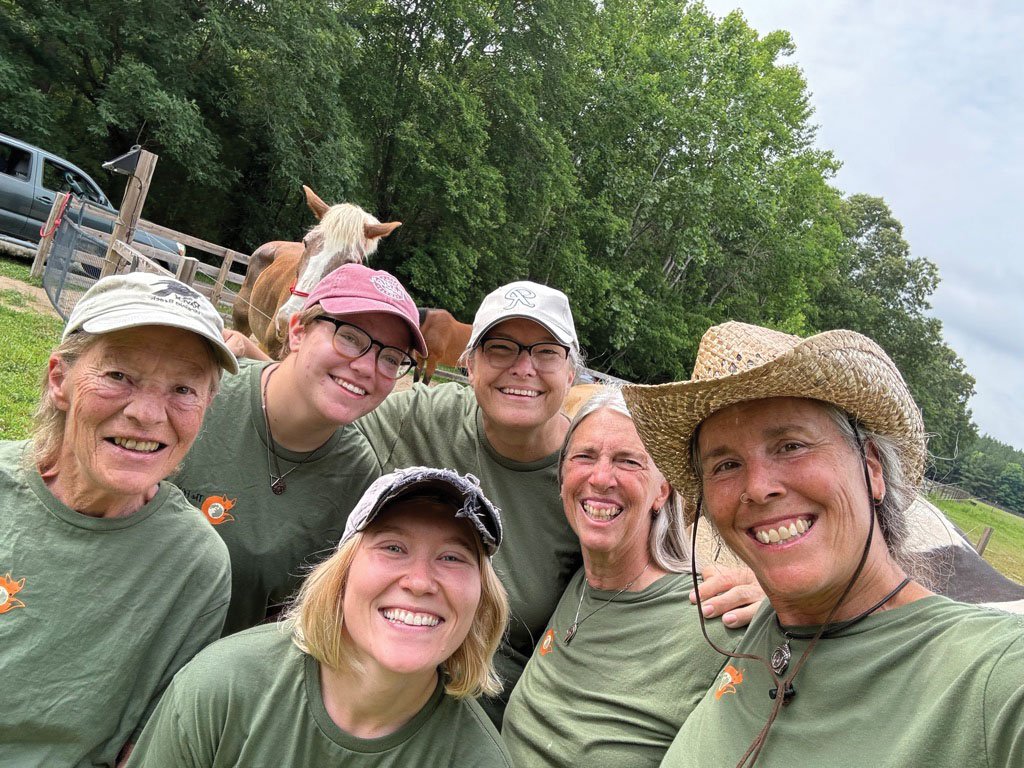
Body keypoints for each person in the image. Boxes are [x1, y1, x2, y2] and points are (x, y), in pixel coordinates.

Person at [623, 321, 1024, 767]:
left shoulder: (992, 674)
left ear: (871, 467)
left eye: (791, 446)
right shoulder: (761, 628)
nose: (758, 488)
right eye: (726, 465)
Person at [355, 281, 757, 725]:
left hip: (482, 714)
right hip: (374, 688)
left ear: (571, 373)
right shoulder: (420, 418)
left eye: (546, 352)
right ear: (469, 364)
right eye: (500, 348)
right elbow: (318, 432)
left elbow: (649, 578)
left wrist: (769, 597)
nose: (523, 368)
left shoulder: (590, 490)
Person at [0, 272, 236, 767]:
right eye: (119, 376)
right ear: (59, 379)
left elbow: (144, 747)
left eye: (183, 389)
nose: (148, 414)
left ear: (207, 406)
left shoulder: (194, 564)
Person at [125, 467, 513, 767]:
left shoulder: (478, 758)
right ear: (341, 575)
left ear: (482, 599)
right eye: (393, 548)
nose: (420, 582)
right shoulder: (222, 688)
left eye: (452, 557)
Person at [171, 262, 427, 635]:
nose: (366, 367)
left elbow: (300, 613)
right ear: (297, 331)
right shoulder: (205, 395)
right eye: (350, 337)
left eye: (390, 358)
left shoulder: (356, 478)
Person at [502, 388, 752, 767]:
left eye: (628, 461)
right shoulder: (575, 580)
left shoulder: (714, 617)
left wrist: (778, 602)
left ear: (661, 492)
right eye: (584, 456)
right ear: (562, 477)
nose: (602, 477)